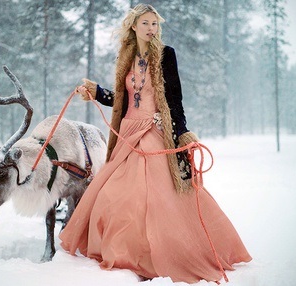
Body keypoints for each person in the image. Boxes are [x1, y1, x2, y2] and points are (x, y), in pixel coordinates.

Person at [59, 3, 251, 283]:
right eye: (146, 23)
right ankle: (124, 252)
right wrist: (97, 92)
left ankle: (159, 254)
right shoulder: (125, 55)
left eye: (155, 24)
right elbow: (122, 100)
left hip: (153, 130)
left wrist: (182, 132)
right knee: (111, 194)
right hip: (128, 133)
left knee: (155, 197)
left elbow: (175, 99)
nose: (152, 29)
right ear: (134, 26)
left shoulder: (165, 55)